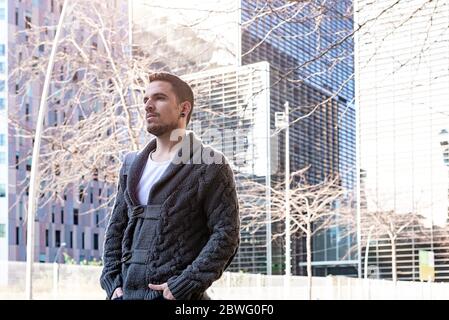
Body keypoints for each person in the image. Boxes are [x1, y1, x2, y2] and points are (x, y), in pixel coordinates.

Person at [100, 72, 240, 300]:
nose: (148, 106)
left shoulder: (210, 165)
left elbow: (226, 235)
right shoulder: (131, 165)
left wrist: (184, 284)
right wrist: (112, 280)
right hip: (122, 295)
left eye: (159, 98)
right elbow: (117, 227)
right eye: (145, 99)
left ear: (184, 109)